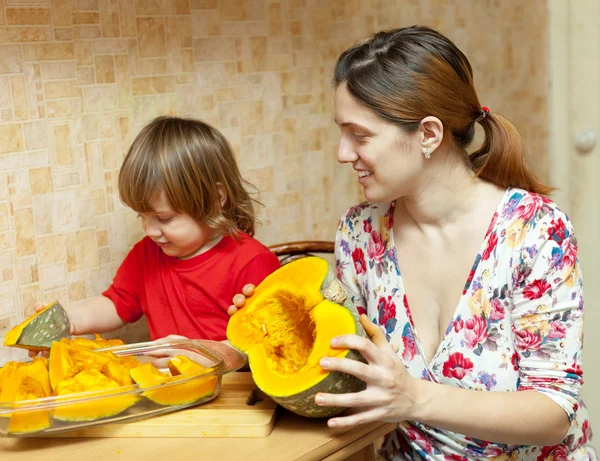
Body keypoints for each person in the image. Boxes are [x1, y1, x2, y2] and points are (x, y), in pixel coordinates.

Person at [228, 26, 596, 460]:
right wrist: (270, 342)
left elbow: (553, 413)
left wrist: (414, 398)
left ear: (428, 135)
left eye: (359, 135)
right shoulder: (360, 233)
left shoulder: (535, 232)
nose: (343, 153)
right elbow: (350, 377)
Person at [32, 116, 280, 348]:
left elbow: (263, 342)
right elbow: (117, 303)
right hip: (170, 388)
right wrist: (71, 320)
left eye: (164, 218)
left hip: (235, 390)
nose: (150, 230)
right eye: (142, 216)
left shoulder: (252, 262)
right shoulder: (146, 254)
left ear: (216, 199)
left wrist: (209, 354)